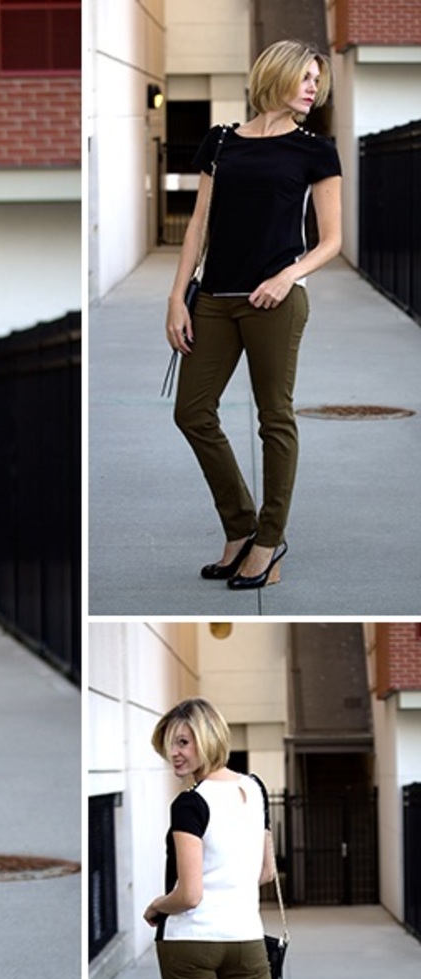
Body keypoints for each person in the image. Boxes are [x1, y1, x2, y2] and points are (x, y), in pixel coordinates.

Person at [166, 39, 342, 589]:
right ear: (277, 75)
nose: (313, 87)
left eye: (318, 79)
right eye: (305, 76)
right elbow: (198, 225)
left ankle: (268, 540)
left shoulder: (316, 150)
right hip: (215, 299)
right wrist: (177, 297)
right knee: (192, 413)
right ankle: (240, 527)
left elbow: (332, 240)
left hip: (275, 302)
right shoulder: (221, 142)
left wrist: (288, 275)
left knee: (275, 419)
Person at [145, 698, 276, 979]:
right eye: (170, 744)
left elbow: (190, 895)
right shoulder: (256, 789)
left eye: (183, 742)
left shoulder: (190, 804)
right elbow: (266, 872)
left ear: (207, 740)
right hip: (245, 936)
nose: (173, 753)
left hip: (189, 941)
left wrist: (157, 906)